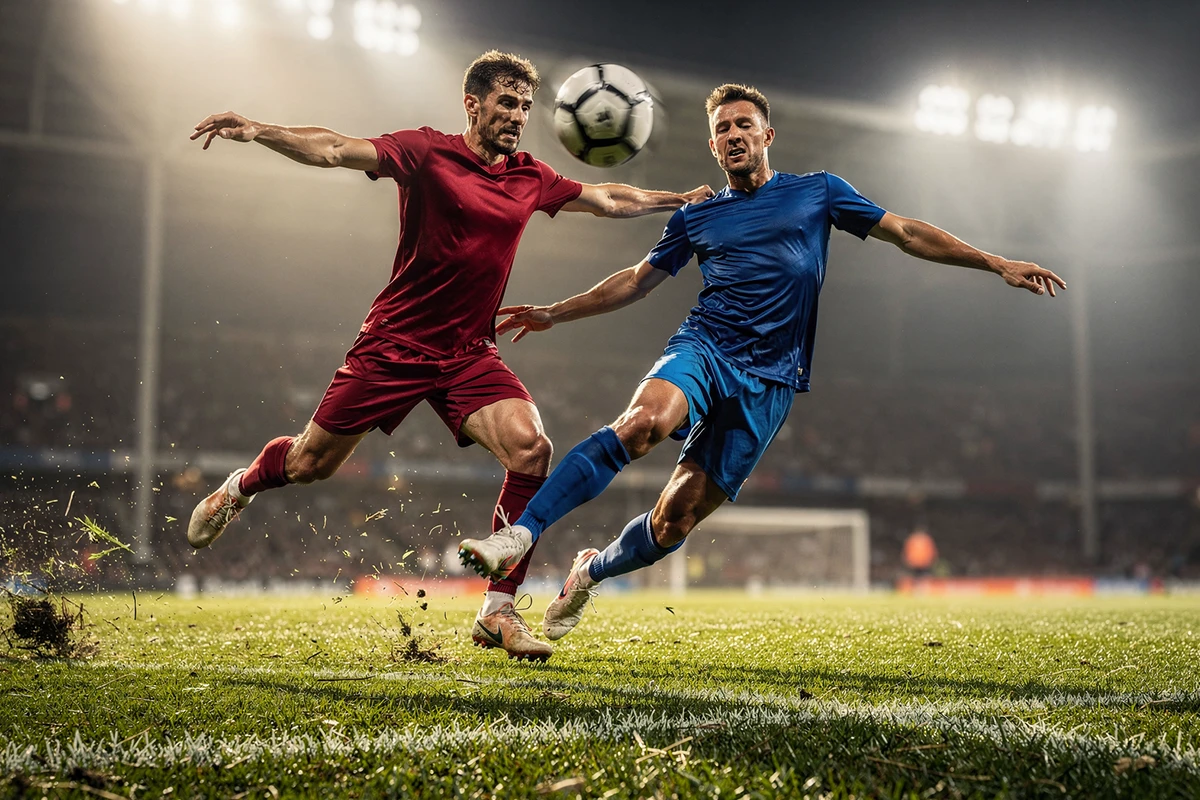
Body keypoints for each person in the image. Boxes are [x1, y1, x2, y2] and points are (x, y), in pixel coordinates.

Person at [458, 83, 1065, 640]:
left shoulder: (818, 191)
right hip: (705, 346)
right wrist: (555, 312)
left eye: (744, 124)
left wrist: (994, 263)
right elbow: (638, 280)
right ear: (713, 146)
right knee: (642, 425)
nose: (733, 135)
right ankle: (521, 534)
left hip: (771, 380)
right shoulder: (695, 215)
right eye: (722, 129)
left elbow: (905, 232)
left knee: (673, 523)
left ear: (767, 135)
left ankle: (590, 572)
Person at [185, 51, 713, 662]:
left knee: (532, 449)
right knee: (310, 464)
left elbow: (607, 198)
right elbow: (334, 148)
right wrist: (260, 130)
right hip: (395, 344)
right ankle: (240, 488)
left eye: (525, 106)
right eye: (507, 103)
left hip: (468, 353)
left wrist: (677, 199)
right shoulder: (426, 152)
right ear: (473, 104)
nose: (518, 116)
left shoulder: (530, 176)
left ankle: (498, 610)